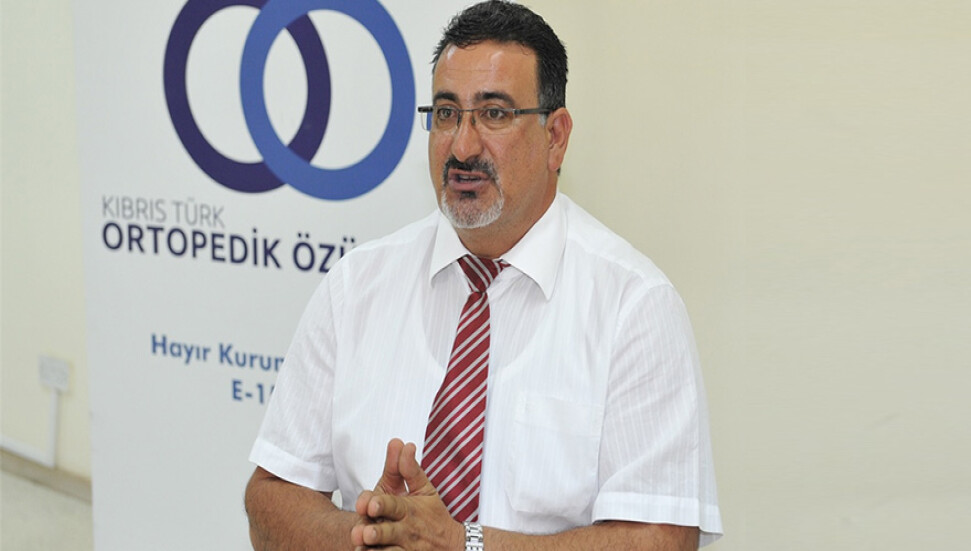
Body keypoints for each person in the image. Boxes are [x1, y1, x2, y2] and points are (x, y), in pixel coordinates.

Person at [244, 1, 722, 549]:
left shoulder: (634, 306)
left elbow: (661, 539)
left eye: (493, 114)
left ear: (556, 136)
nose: (462, 146)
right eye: (447, 113)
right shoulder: (356, 285)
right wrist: (377, 537)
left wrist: (461, 544)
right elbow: (270, 500)